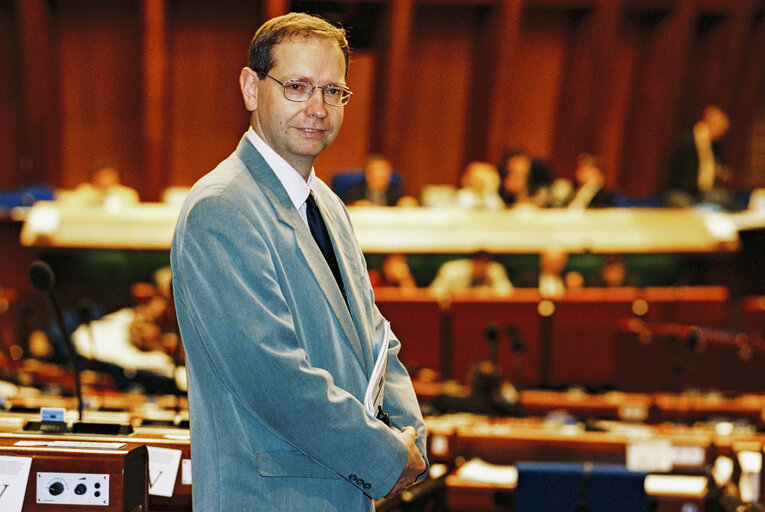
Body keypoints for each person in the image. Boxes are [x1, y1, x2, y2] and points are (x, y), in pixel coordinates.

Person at [170, 13, 427, 511]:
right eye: (297, 86)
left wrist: (409, 430)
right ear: (250, 87)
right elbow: (276, 377)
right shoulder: (221, 208)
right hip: (269, 498)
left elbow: (375, 338)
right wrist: (387, 457)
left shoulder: (329, 205)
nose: (317, 108)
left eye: (333, 91)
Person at [662, 105, 736, 209]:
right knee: (685, 206)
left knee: (725, 200)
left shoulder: (715, 145)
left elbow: (722, 168)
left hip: (703, 192)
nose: (721, 135)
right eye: (721, 130)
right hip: (681, 192)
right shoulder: (686, 142)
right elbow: (672, 172)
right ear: (711, 124)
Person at [429, 251, 514, 298]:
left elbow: (507, 293)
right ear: (472, 262)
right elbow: (434, 292)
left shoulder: (494, 270)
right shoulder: (452, 271)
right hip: (456, 312)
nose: (481, 267)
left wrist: (485, 293)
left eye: (485, 263)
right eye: (478, 263)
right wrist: (460, 294)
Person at [341, 154, 416, 206]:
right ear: (367, 174)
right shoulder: (354, 192)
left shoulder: (395, 192)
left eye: (384, 170)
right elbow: (345, 207)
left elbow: (406, 202)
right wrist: (355, 206)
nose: (380, 174)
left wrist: (407, 202)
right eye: (376, 170)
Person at [59, 161, 140, 208]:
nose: (106, 179)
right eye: (102, 175)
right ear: (94, 177)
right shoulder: (83, 192)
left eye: (109, 175)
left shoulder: (127, 194)